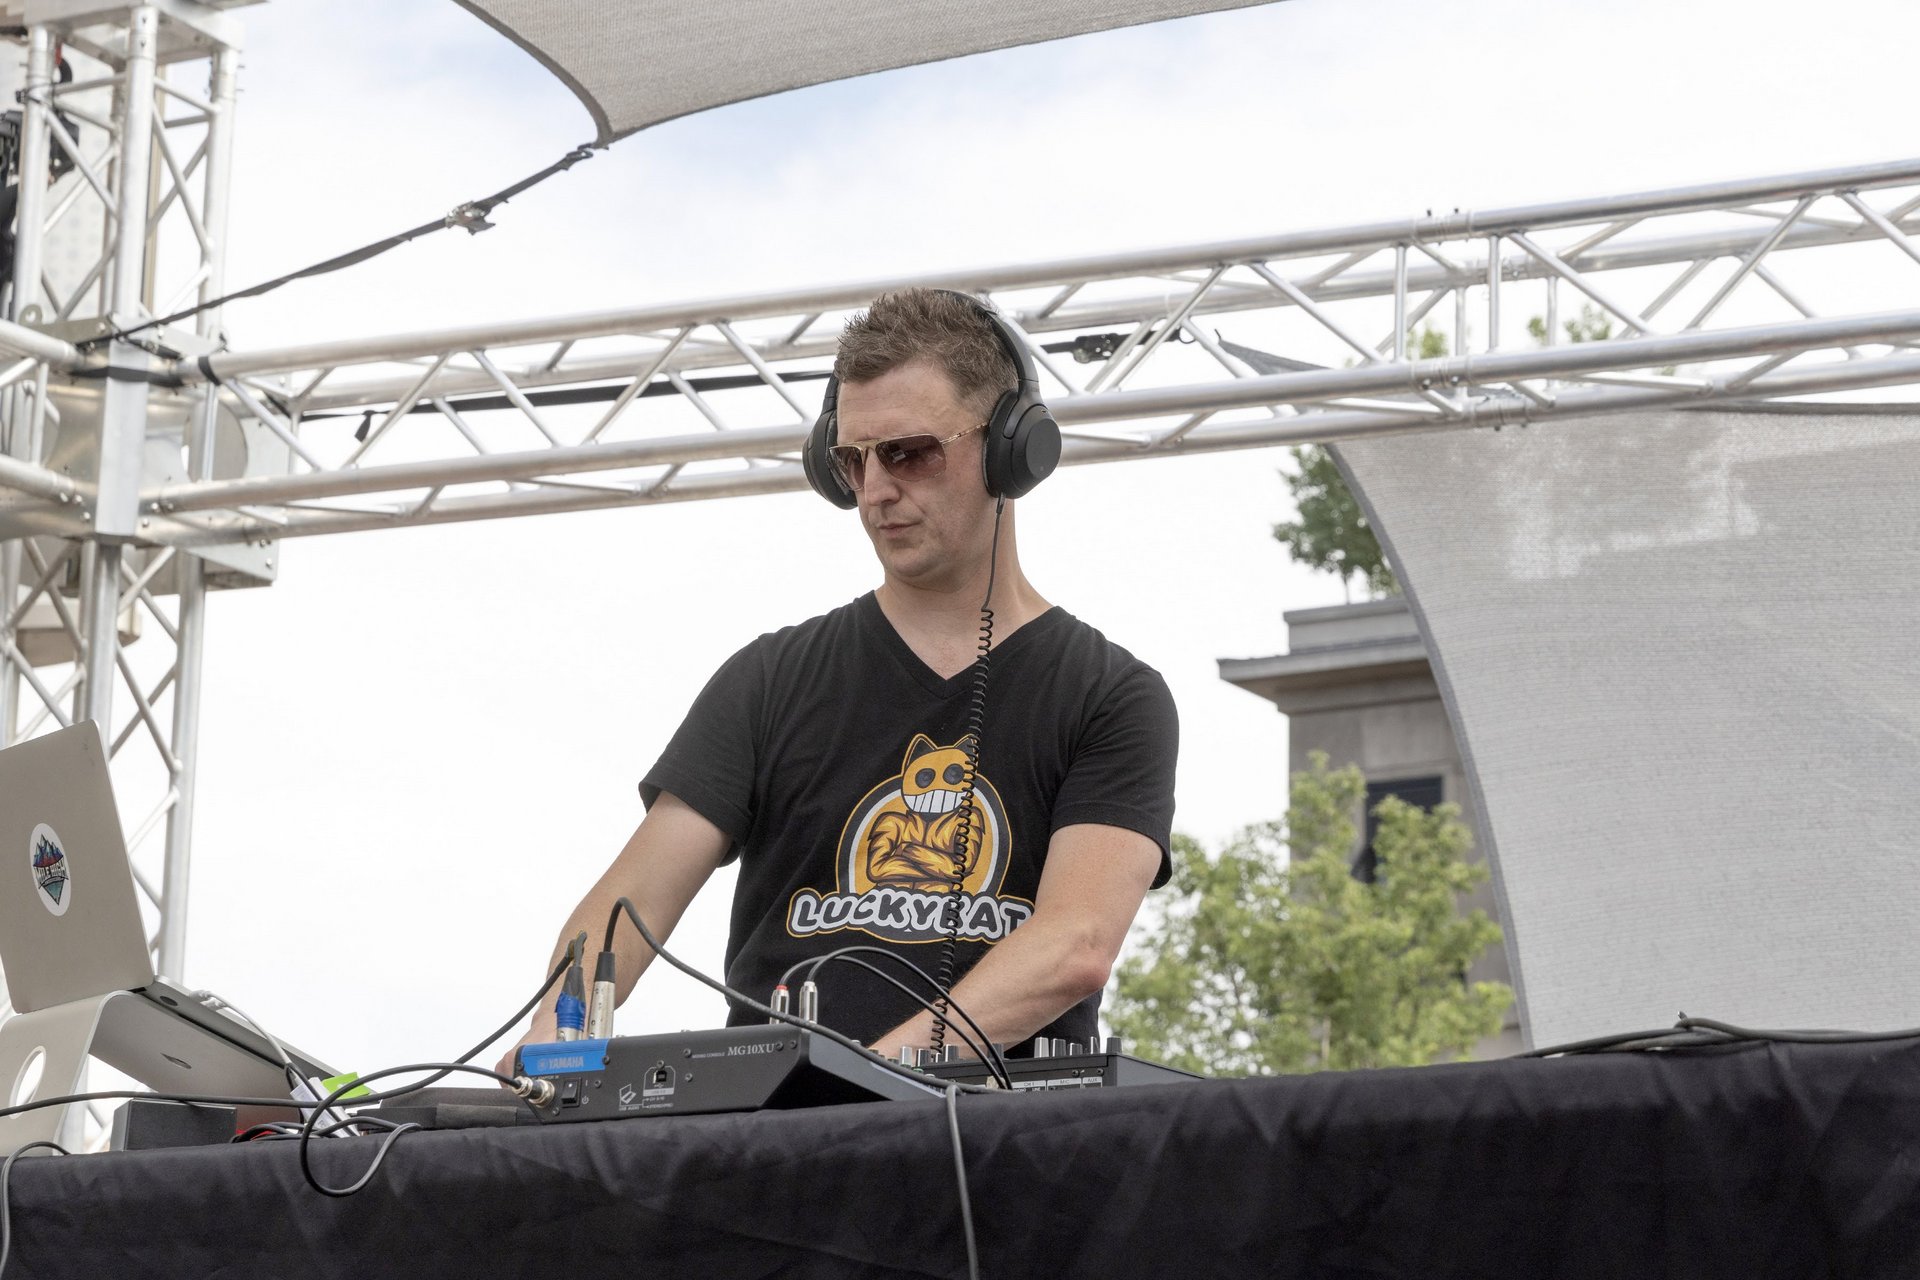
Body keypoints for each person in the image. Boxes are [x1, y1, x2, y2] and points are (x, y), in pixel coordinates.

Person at [504, 288, 1177, 1066]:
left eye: (910, 452)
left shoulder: (1112, 696)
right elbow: (633, 902)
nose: (876, 491)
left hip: (996, 1137)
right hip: (785, 1132)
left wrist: (868, 1083)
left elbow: (1075, 945)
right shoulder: (766, 680)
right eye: (852, 460)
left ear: (1011, 450)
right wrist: (559, 1027)